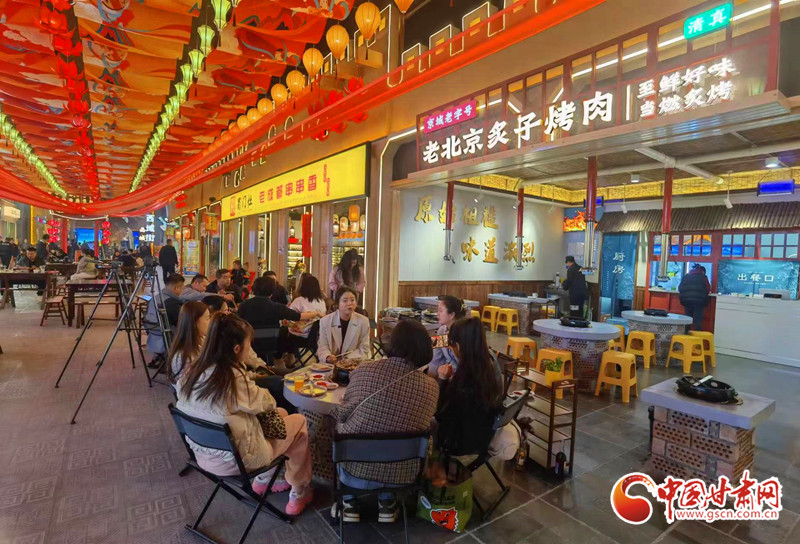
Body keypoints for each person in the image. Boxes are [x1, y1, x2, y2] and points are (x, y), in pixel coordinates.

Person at [176, 313, 314, 515]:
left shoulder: (193, 371)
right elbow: (266, 403)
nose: (250, 348)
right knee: (299, 423)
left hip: (202, 453)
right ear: (236, 349)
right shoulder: (231, 379)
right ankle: (299, 491)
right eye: (249, 344)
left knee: (282, 414)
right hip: (237, 461)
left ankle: (264, 479)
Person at [331, 319, 439, 523]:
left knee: (340, 424)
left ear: (393, 343)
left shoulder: (363, 372)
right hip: (404, 475)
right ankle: (387, 502)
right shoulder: (431, 387)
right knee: (401, 425)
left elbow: (343, 414)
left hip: (355, 472)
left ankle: (349, 501)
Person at [435, 317, 503, 456]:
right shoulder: (489, 361)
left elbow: (440, 414)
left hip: (460, 442)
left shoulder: (465, 379)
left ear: (459, 346)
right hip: (484, 433)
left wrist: (443, 380)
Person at [238, 276, 321, 364]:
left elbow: (239, 322)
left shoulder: (244, 305)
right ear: (272, 291)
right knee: (286, 333)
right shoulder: (277, 307)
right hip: (270, 343)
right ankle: (283, 360)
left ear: (254, 289)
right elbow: (298, 316)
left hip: (249, 341)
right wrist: (316, 313)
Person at [317, 287, 371, 364]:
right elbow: (323, 346)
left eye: (352, 300)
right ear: (337, 304)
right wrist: (327, 357)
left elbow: (364, 348)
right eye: (345, 300)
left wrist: (347, 359)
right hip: (330, 365)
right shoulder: (325, 321)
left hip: (353, 364)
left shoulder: (363, 321)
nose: (349, 303)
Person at [145, 273, 186, 367]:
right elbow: (182, 322)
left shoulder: (155, 298)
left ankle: (160, 358)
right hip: (167, 336)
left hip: (154, 333)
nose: (182, 291)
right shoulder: (171, 303)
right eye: (182, 288)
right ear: (176, 288)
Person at [167, 301, 211, 383]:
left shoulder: (202, 338)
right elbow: (189, 386)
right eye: (208, 318)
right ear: (194, 322)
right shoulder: (182, 356)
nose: (210, 322)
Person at [286, 274, 327, 352]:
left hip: (302, 337)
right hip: (317, 337)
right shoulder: (322, 301)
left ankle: (285, 356)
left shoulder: (299, 300)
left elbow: (288, 316)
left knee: (283, 332)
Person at [428, 295, 467, 378]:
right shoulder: (442, 330)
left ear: (451, 315)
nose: (437, 314)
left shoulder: (465, 333)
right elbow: (435, 359)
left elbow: (468, 366)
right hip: (448, 375)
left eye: (440, 311)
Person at [679, 264, 711, 330]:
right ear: (702, 271)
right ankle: (697, 334)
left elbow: (680, 288)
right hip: (699, 302)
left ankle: (686, 334)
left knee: (687, 319)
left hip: (687, 301)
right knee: (698, 320)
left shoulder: (686, 276)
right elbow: (708, 289)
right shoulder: (704, 277)